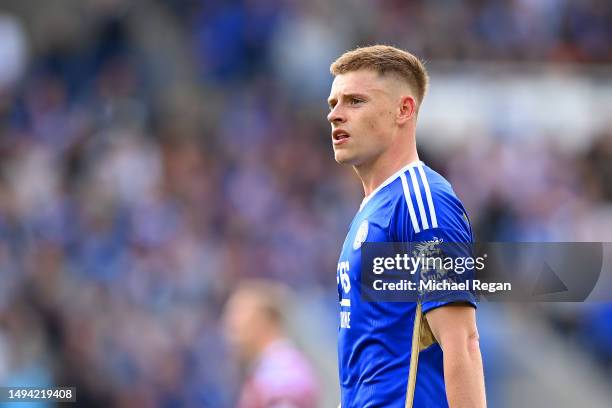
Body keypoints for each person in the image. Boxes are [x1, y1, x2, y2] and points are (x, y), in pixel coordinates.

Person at [327, 45, 486, 408]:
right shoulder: (374, 209)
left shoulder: (421, 201)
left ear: (404, 109)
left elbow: (463, 342)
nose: (335, 115)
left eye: (354, 101)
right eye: (332, 104)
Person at [222, 280, 319, 408]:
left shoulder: (282, 373)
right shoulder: (270, 368)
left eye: (238, 320)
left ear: (264, 321)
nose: (230, 333)